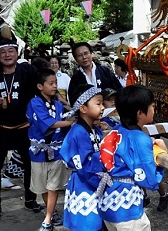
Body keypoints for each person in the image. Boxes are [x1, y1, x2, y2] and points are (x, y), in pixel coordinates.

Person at [98, 84, 167, 230]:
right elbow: (149, 179)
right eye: (152, 106)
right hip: (127, 207)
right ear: (140, 113)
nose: (154, 110)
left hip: (108, 200)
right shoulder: (140, 139)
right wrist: (161, 156)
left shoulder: (115, 131)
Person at [0, 39, 42, 222]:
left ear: (17, 53)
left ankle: (30, 198)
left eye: (11, 51)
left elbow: (42, 87)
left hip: (24, 128)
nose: (7, 55)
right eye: (3, 52)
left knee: (30, 165)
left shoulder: (28, 71)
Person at [26, 68, 74, 231]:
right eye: (51, 83)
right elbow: (48, 123)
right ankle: (51, 212)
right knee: (43, 187)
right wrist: (69, 122)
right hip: (38, 151)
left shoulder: (57, 104)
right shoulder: (35, 102)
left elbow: (60, 122)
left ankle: (47, 218)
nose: (55, 86)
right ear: (40, 86)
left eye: (56, 83)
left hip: (56, 150)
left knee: (53, 186)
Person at [59, 84, 105, 231]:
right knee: (88, 225)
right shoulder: (78, 132)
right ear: (83, 108)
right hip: (85, 183)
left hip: (94, 181)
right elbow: (83, 165)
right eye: (98, 103)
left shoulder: (95, 129)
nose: (103, 107)